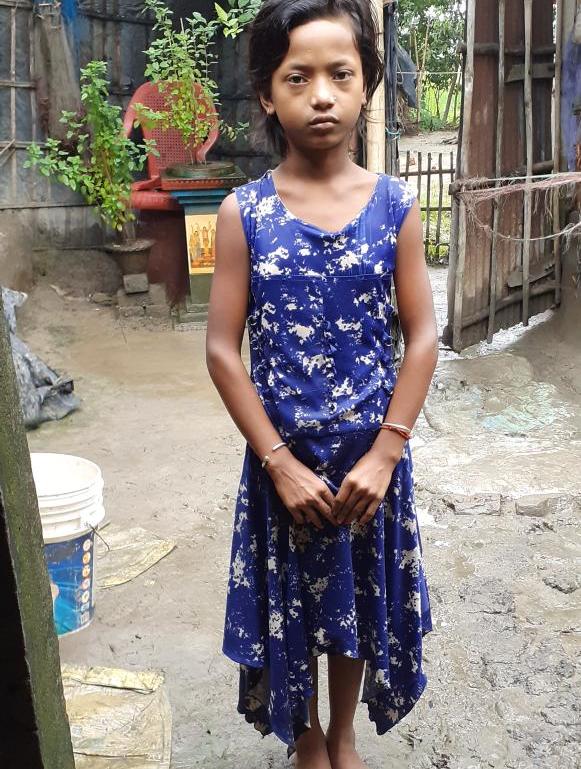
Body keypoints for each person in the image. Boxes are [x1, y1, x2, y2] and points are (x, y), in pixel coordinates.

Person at [205, 1, 438, 767]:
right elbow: (221, 350)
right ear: (267, 94)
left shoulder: (394, 207)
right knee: (293, 606)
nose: (322, 96)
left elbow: (422, 336)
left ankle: (341, 733)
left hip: (369, 465)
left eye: (340, 74)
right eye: (296, 78)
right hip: (285, 463)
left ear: (365, 83)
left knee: (356, 602)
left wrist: (386, 452)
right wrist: (276, 460)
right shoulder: (243, 213)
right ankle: (304, 735)